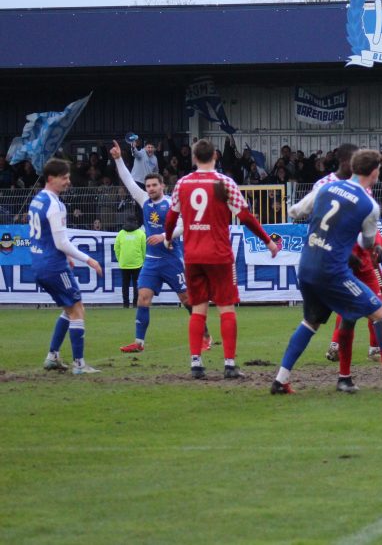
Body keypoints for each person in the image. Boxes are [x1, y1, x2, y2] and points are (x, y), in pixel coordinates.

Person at [270, 149, 382, 395]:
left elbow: (296, 211)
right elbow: (367, 243)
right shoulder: (368, 204)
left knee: (311, 322)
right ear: (375, 172)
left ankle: (280, 380)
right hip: (333, 271)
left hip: (307, 266)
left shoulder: (326, 188)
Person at [288, 144, 382, 392]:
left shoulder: (360, 188)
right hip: (340, 261)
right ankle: (345, 374)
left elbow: (367, 227)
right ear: (346, 162)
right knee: (352, 315)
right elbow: (314, 220)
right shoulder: (326, 185)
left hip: (360, 260)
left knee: (378, 307)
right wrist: (373, 246)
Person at [164, 139, 279, 379]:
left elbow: (171, 218)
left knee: (198, 308)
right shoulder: (224, 182)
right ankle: (229, 364)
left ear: (194, 157)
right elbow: (245, 217)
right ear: (215, 156)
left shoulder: (182, 183)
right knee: (226, 307)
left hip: (193, 255)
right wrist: (267, 241)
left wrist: (167, 237)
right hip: (218, 254)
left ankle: (196, 364)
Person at [110, 141, 204, 353]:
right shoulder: (143, 199)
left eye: (154, 185)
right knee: (143, 298)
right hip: (151, 261)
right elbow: (128, 180)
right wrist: (118, 159)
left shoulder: (171, 204)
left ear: (162, 186)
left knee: (186, 299)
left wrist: (163, 236)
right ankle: (139, 343)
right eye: (148, 186)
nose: (150, 189)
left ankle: (205, 335)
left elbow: (182, 226)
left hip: (171, 259)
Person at [31, 159, 105, 375]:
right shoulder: (55, 205)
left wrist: (67, 256)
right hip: (53, 265)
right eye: (64, 178)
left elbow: (47, 237)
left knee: (69, 308)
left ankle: (52, 356)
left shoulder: (37, 200)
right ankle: (79, 364)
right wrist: (88, 259)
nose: (68, 181)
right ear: (51, 178)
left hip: (39, 264)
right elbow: (61, 242)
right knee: (77, 309)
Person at [113, 219, 145, 308]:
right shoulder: (141, 233)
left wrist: (120, 259)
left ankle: (125, 304)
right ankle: (135, 304)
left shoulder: (121, 233)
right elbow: (144, 249)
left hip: (124, 263)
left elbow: (116, 248)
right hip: (137, 263)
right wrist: (142, 260)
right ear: (136, 222)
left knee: (125, 284)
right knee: (136, 284)